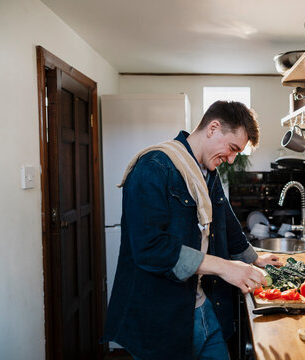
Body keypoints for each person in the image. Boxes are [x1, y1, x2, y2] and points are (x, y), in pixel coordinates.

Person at [101, 100, 282, 360]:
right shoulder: (153, 168)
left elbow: (226, 221)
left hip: (203, 306)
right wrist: (225, 266)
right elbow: (149, 249)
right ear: (213, 128)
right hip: (162, 317)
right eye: (232, 149)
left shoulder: (207, 172)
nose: (231, 160)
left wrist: (254, 259)